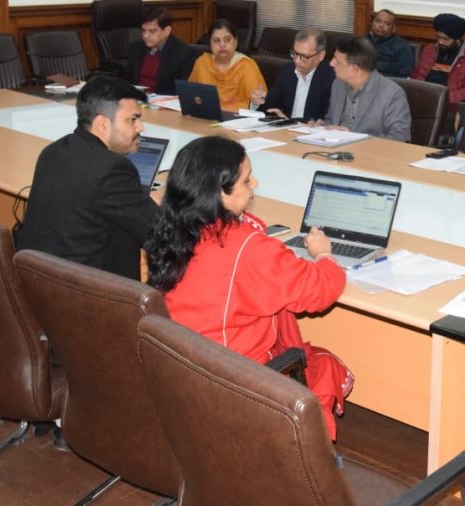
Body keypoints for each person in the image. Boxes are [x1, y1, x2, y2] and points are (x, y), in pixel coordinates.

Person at [145, 136, 354, 441]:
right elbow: (319, 290)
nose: (254, 183)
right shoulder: (247, 248)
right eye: (246, 180)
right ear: (220, 192)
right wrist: (324, 255)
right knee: (326, 366)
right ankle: (306, 451)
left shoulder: (172, 229)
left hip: (182, 373)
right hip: (235, 380)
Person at [16, 76, 158, 281]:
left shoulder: (52, 151)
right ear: (102, 124)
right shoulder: (113, 168)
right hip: (85, 291)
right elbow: (158, 232)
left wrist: (140, 198)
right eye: (133, 119)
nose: (140, 127)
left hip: (37, 281)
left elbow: (92, 193)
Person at [318, 36, 411, 142]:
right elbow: (331, 120)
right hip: (333, 148)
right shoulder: (338, 84)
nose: (331, 63)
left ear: (354, 68)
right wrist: (320, 127)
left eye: (337, 61)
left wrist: (353, 137)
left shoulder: (392, 94)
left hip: (369, 151)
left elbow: (400, 137)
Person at [250, 28, 334, 121]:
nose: (297, 60)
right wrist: (257, 102)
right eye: (295, 53)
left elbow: (328, 119)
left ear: (321, 55)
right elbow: (270, 107)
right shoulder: (287, 71)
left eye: (304, 56)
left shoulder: (332, 78)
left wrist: (291, 122)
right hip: (286, 128)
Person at [410, 13, 465, 111]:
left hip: (448, 106)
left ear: (457, 39)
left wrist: (442, 98)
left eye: (445, 39)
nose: (440, 42)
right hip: (421, 100)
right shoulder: (429, 50)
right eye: (438, 37)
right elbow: (415, 77)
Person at [188, 19, 267, 111]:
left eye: (227, 40)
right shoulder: (202, 62)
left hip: (238, 117)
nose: (222, 45)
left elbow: (255, 104)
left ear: (236, 42)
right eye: (216, 40)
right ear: (210, 43)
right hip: (205, 115)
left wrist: (221, 108)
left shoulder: (246, 66)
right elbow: (190, 94)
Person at [125, 6, 197, 95]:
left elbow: (182, 90)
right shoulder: (135, 48)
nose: (145, 36)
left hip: (163, 101)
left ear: (167, 31)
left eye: (152, 31)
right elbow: (127, 82)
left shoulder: (184, 53)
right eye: (143, 30)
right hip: (135, 98)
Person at [366, 9, 414, 78]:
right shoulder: (360, 42)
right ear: (372, 23)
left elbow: (403, 76)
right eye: (378, 21)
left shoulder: (403, 48)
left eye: (387, 23)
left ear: (393, 28)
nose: (381, 25)